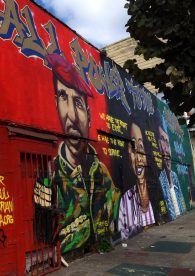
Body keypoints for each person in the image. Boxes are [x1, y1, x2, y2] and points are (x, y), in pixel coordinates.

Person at [46, 53, 120, 254]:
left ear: (89, 116)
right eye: (63, 98)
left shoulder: (102, 174)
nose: (71, 114)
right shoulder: (50, 175)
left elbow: (115, 211)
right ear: (56, 105)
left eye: (78, 103)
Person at [118, 121, 155, 240]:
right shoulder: (125, 201)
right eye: (133, 148)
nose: (138, 157)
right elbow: (121, 234)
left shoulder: (155, 191)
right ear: (128, 155)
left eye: (141, 147)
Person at [157, 111, 186, 220]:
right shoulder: (159, 181)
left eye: (166, 141)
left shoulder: (174, 176)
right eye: (161, 141)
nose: (165, 150)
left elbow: (182, 205)